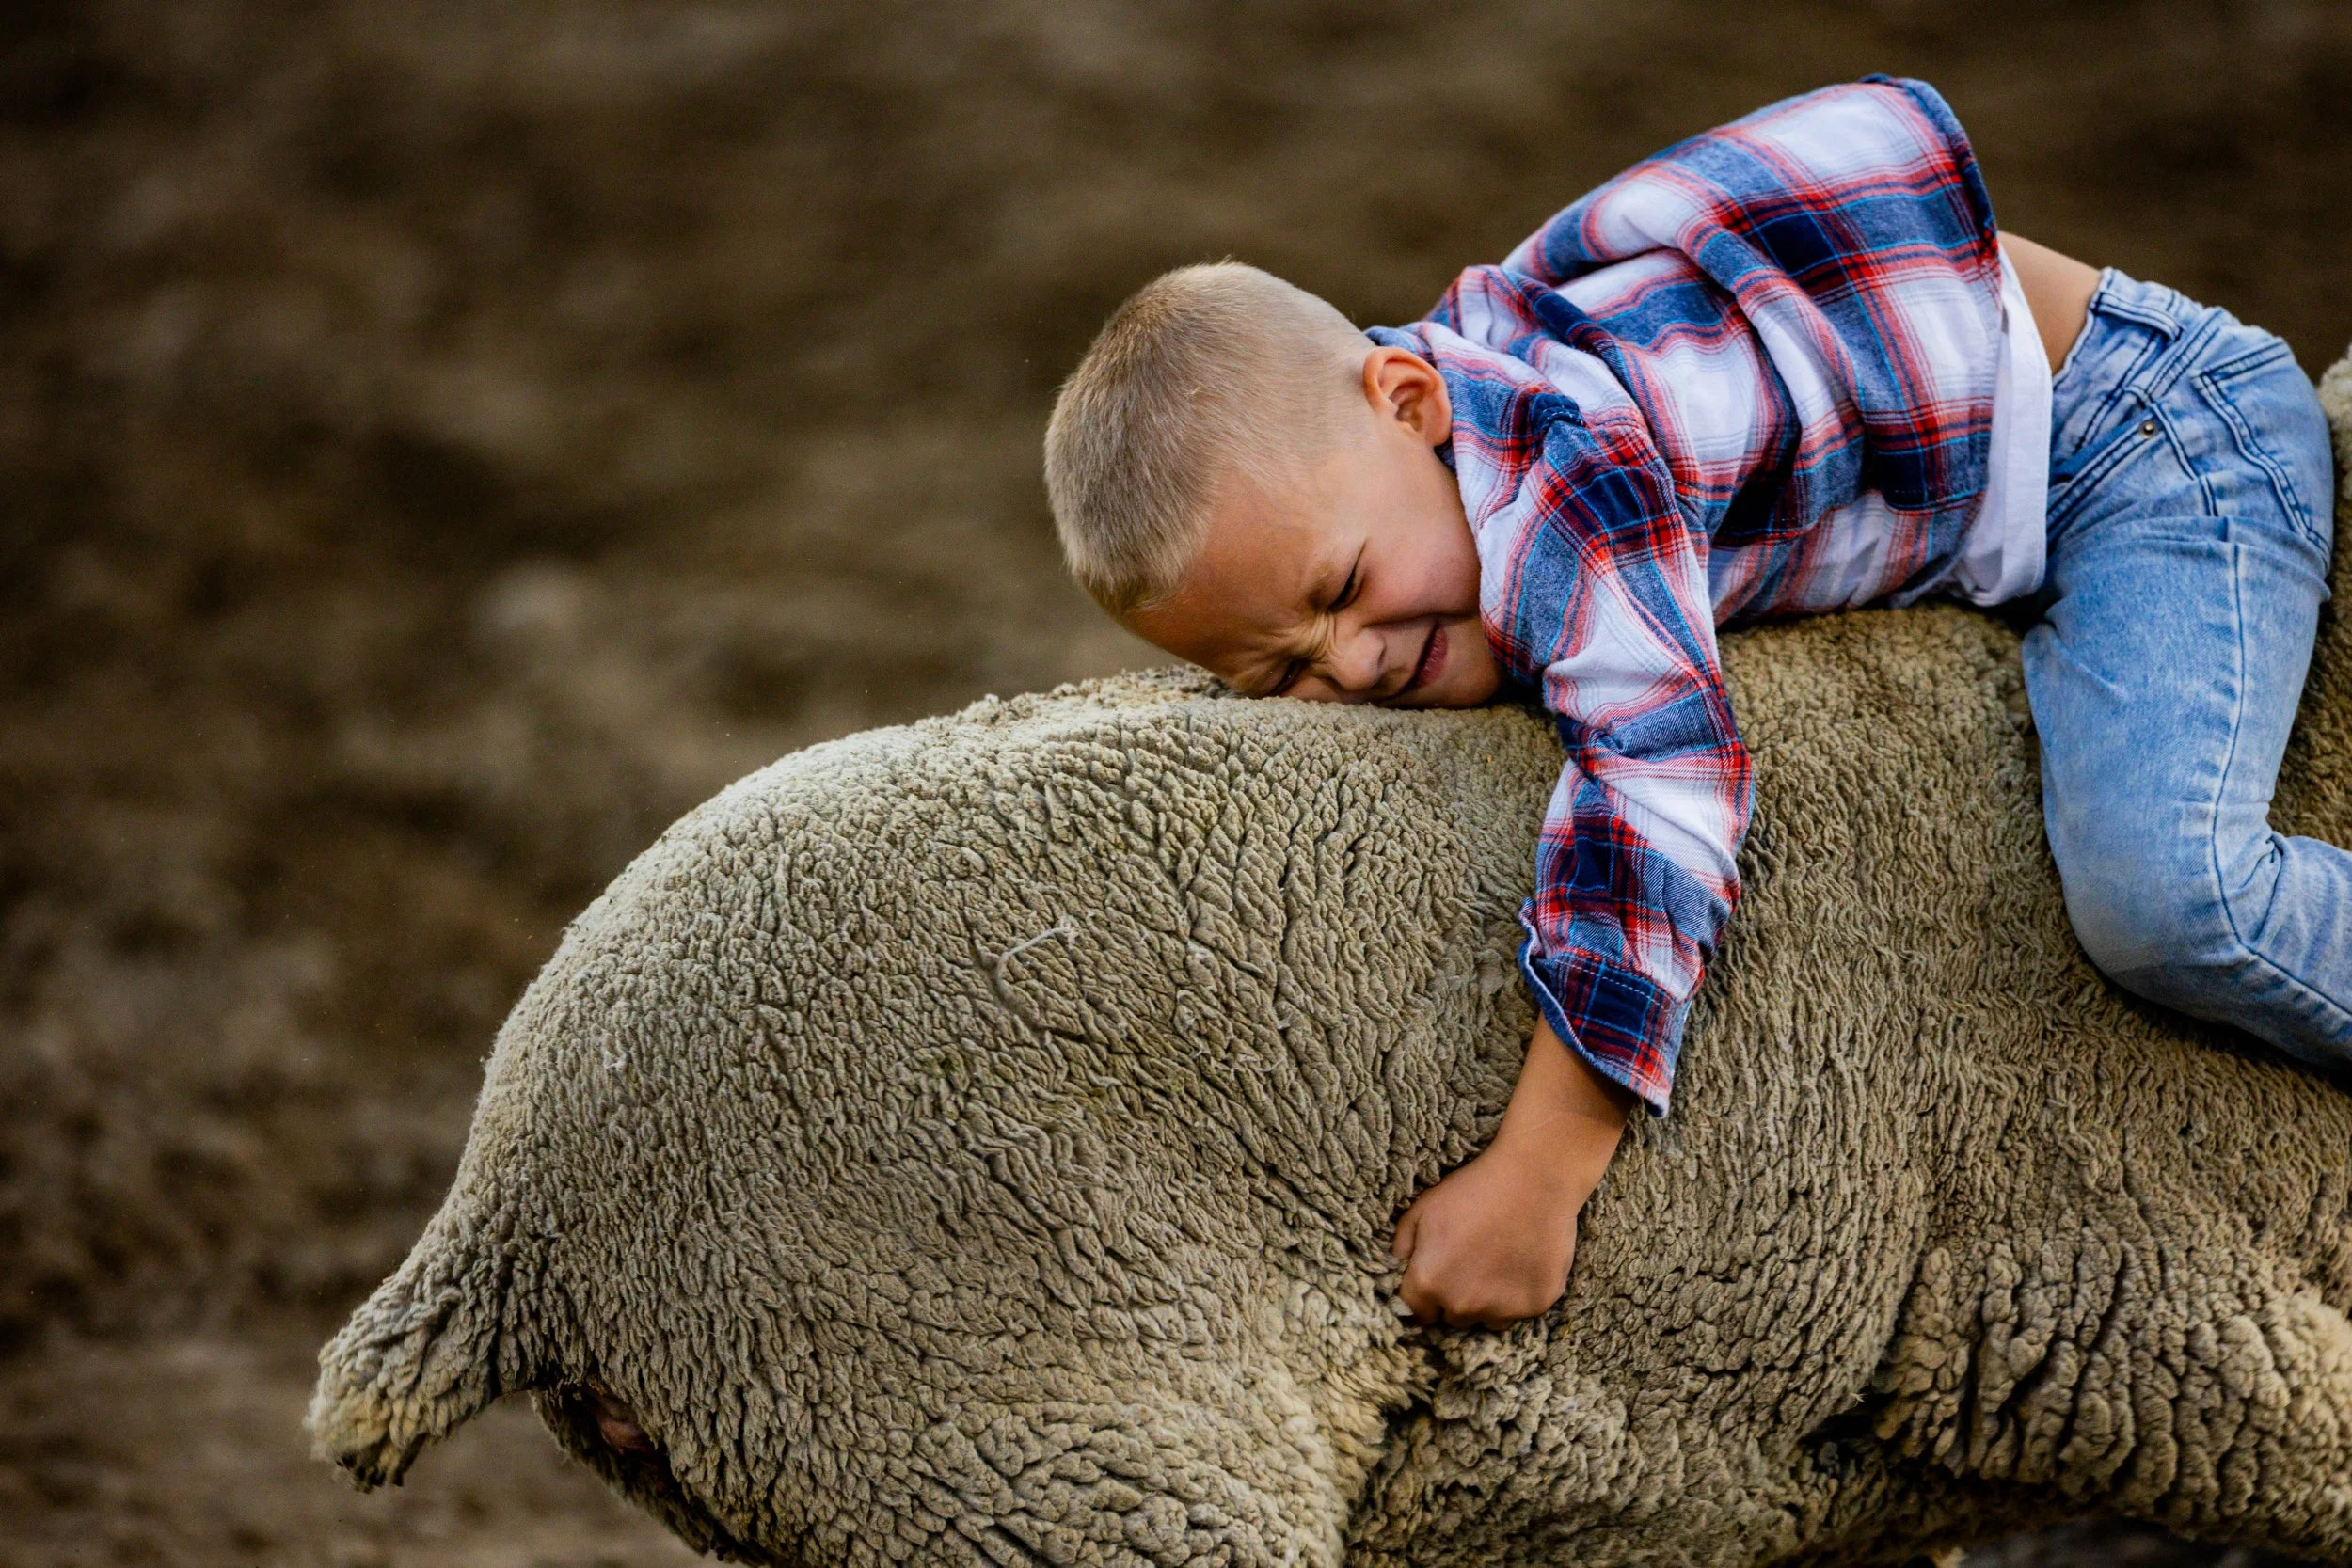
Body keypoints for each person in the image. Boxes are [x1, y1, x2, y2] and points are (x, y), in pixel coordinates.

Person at [1040, 77, 2348, 1331]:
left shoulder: (1559, 478)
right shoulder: (1414, 444)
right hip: (2013, 461)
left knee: (2170, 895)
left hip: (2150, 440)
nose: (1356, 665)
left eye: (1344, 587)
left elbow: (1665, 780)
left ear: (1412, 403)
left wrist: (1540, 1170)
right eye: (1281, 672)